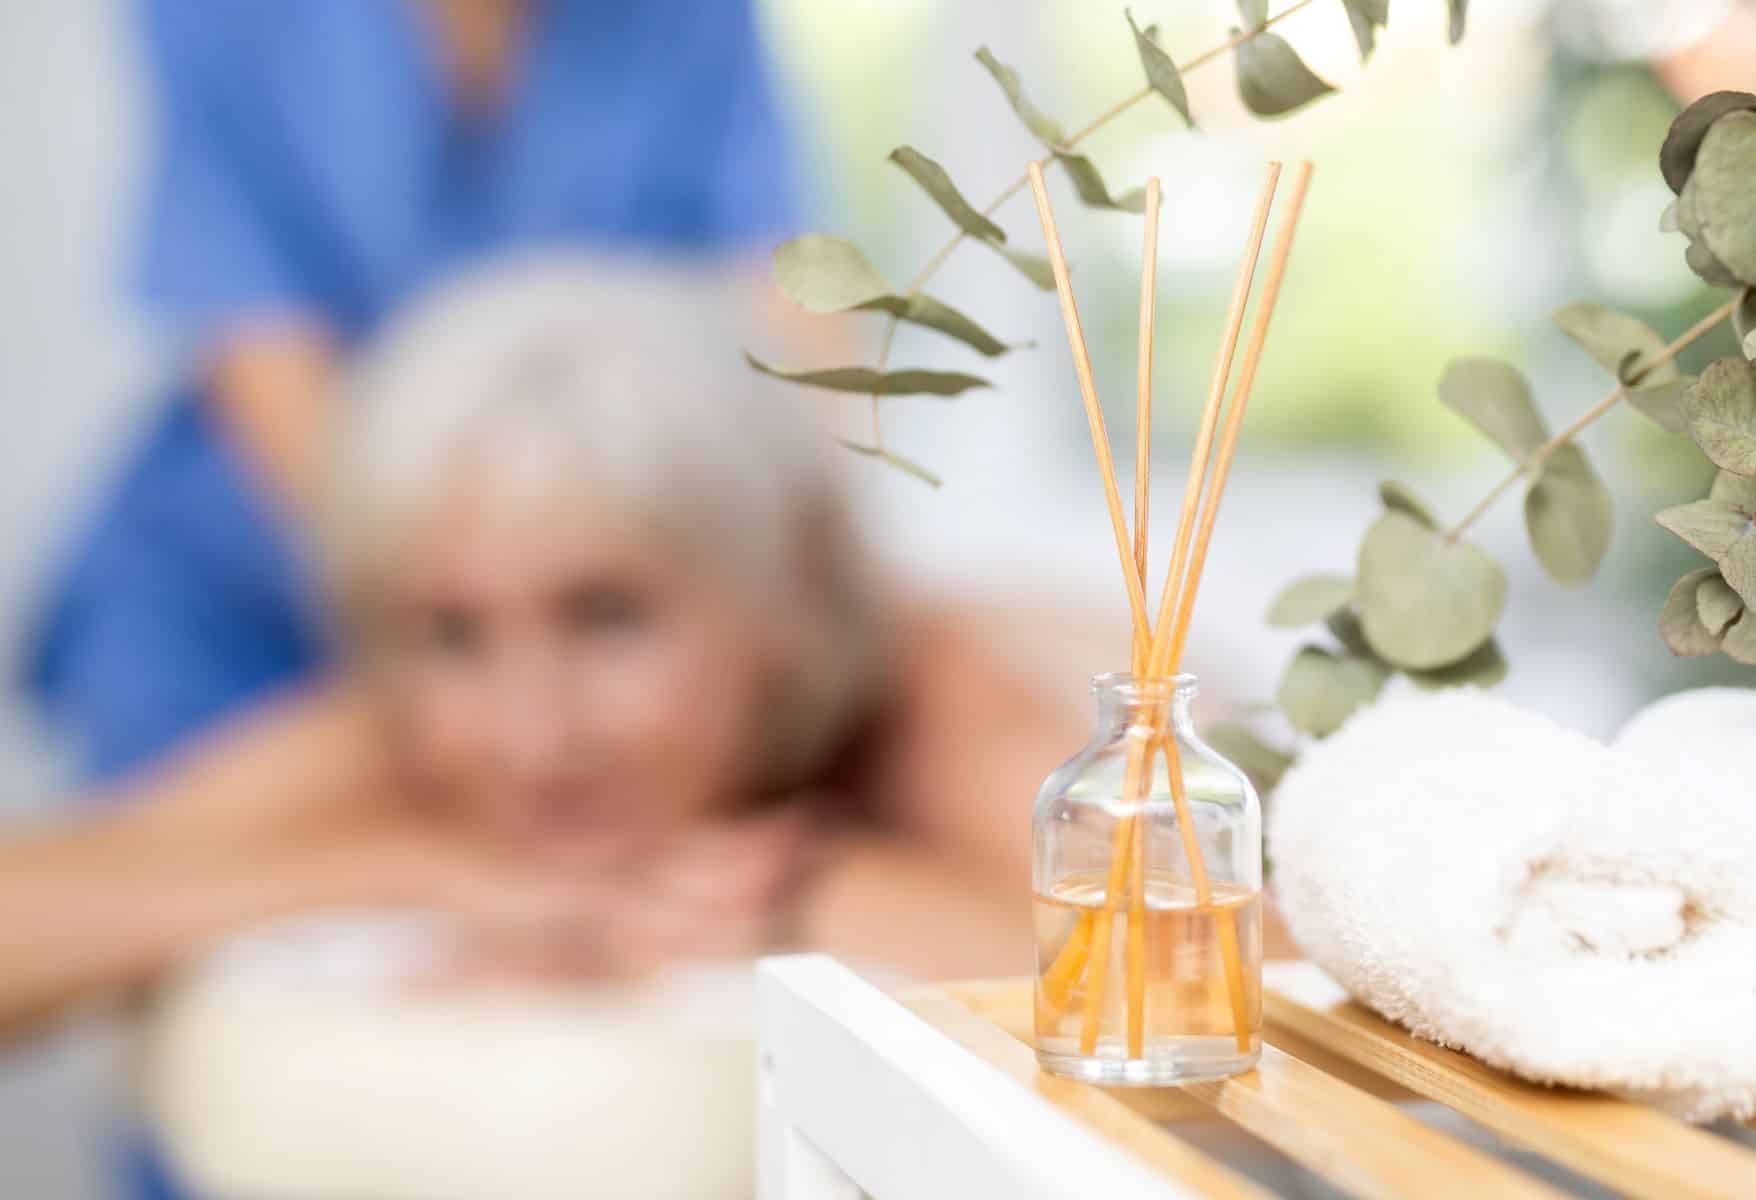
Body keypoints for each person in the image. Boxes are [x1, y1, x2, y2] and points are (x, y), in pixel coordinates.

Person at [2, 257, 1084, 1197]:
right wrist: (406, 867)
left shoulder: (935, 696)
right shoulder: (406, 733)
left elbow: (1212, 1009)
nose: (532, 738)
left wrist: (799, 889)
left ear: (786, 590)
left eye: (607, 614)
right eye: (449, 633)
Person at [25, 0, 814, 787]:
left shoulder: (690, 18)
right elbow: (253, 333)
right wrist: (448, 635)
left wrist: (813, 562)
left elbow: (787, 298)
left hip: (565, 597)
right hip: (260, 577)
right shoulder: (221, 17)